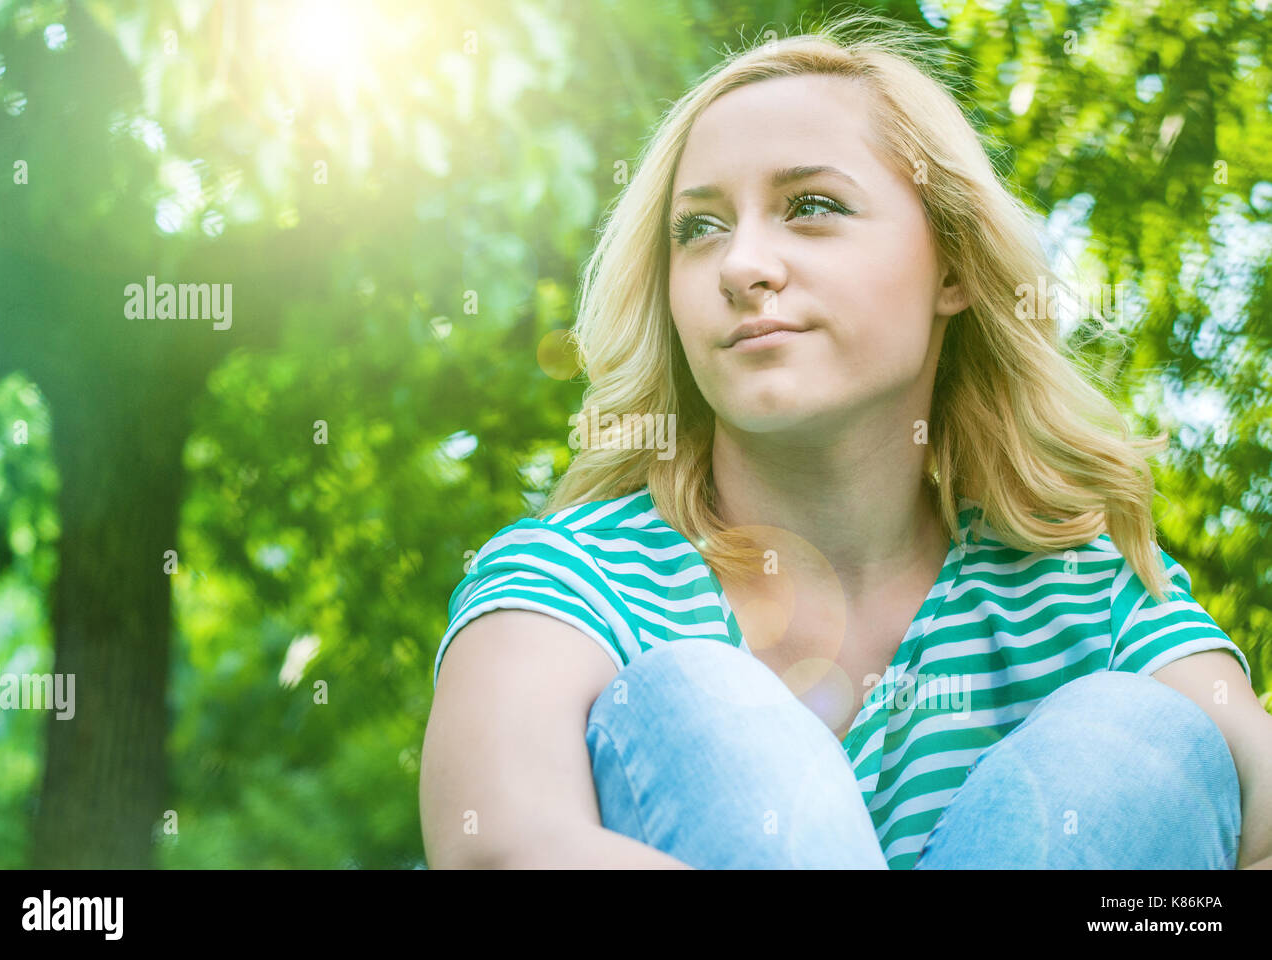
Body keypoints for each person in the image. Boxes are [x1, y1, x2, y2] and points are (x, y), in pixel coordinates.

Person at [419, 13, 1270, 870]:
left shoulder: (1092, 594)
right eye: (700, 227)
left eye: (811, 206)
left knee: (1138, 737)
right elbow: (503, 850)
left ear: (954, 268)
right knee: (703, 700)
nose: (740, 264)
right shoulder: (567, 584)